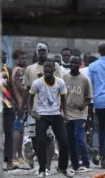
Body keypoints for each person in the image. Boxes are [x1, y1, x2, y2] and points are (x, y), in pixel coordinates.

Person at [24, 43, 63, 173]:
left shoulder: (55, 66)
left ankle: (46, 167)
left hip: (51, 110)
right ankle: (38, 159)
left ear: (48, 51)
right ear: (36, 52)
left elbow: (60, 86)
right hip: (35, 110)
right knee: (36, 139)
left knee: (50, 137)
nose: (42, 53)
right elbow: (28, 90)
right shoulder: (30, 69)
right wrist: (26, 109)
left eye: (44, 50)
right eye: (39, 50)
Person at [29, 59, 71, 177]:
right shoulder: (37, 83)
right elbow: (30, 97)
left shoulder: (60, 82)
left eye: (50, 67)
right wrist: (31, 111)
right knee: (41, 142)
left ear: (54, 69)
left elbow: (63, 99)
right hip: (42, 116)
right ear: (43, 69)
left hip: (56, 115)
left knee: (64, 142)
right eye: (45, 67)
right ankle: (42, 170)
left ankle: (62, 168)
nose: (47, 69)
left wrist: (65, 114)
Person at [64, 55, 93, 173]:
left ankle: (86, 162)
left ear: (79, 64)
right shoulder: (64, 77)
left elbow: (89, 97)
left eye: (75, 63)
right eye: (71, 63)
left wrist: (83, 106)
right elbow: (61, 94)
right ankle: (75, 164)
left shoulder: (85, 79)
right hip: (67, 112)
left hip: (80, 113)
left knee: (79, 136)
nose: (73, 65)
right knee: (69, 138)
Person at [88, 42, 105, 169]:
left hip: (99, 101)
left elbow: (90, 85)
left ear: (98, 51)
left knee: (102, 129)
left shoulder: (93, 66)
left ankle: (103, 157)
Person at [1, 51, 18, 170]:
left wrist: (16, 102)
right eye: (2, 56)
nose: (4, 58)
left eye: (5, 56)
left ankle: (9, 161)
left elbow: (11, 86)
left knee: (9, 133)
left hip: (7, 106)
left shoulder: (7, 69)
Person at [11, 49, 28, 163]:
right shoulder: (20, 71)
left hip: (17, 102)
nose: (24, 60)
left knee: (20, 129)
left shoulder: (14, 70)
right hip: (20, 103)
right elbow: (22, 87)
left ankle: (19, 155)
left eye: (25, 58)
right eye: (22, 58)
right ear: (16, 60)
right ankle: (14, 155)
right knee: (18, 130)